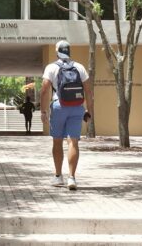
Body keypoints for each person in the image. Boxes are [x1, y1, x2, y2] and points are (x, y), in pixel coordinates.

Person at [40, 40, 93, 190]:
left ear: (57, 51)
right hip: (77, 107)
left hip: (59, 106)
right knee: (73, 142)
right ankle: (72, 178)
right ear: (69, 51)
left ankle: (58, 177)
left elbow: (44, 89)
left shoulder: (51, 67)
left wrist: (43, 111)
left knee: (57, 142)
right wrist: (89, 110)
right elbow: (88, 91)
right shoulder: (79, 67)